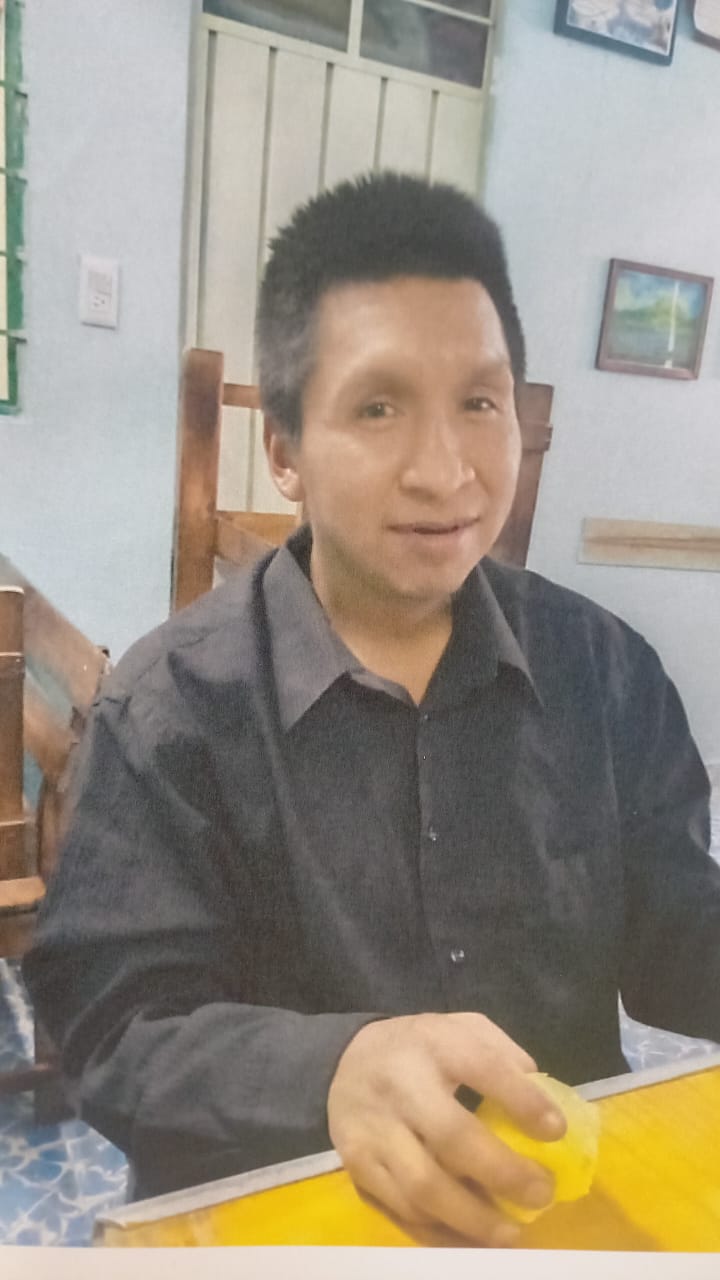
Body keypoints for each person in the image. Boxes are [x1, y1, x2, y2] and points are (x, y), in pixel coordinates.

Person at [24, 173, 719, 1247]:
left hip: (556, 1216)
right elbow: (115, 1028)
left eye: (479, 402)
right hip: (297, 1217)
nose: (444, 471)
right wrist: (330, 1070)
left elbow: (678, 937)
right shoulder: (168, 715)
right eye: (378, 407)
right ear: (285, 451)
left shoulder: (607, 671)